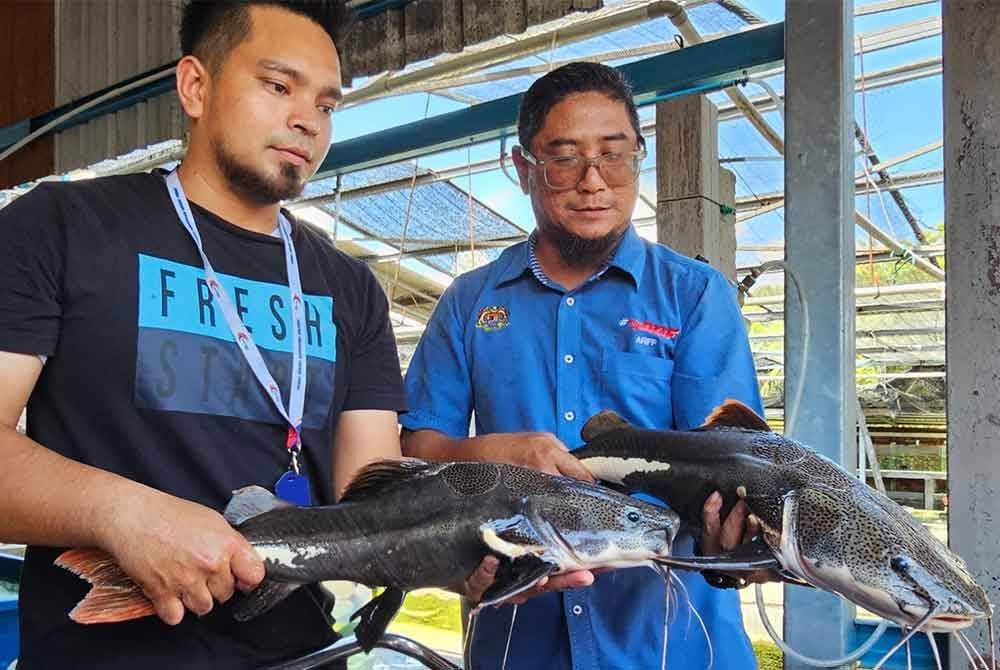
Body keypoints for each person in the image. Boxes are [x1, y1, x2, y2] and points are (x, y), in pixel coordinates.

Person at [0, 2, 495, 667]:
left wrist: (469, 552)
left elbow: (372, 497)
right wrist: (122, 514)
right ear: (195, 87)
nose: (306, 121)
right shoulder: (62, 227)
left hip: (302, 654)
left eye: (325, 104)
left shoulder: (350, 287)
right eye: (277, 85)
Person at [401, 62, 764, 669]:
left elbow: (732, 461)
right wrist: (496, 451)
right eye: (564, 157)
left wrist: (735, 539)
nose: (593, 181)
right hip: (519, 640)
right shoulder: (470, 303)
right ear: (523, 169)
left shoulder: (695, 296)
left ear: (639, 159)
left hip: (673, 646)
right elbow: (417, 448)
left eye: (614, 155)